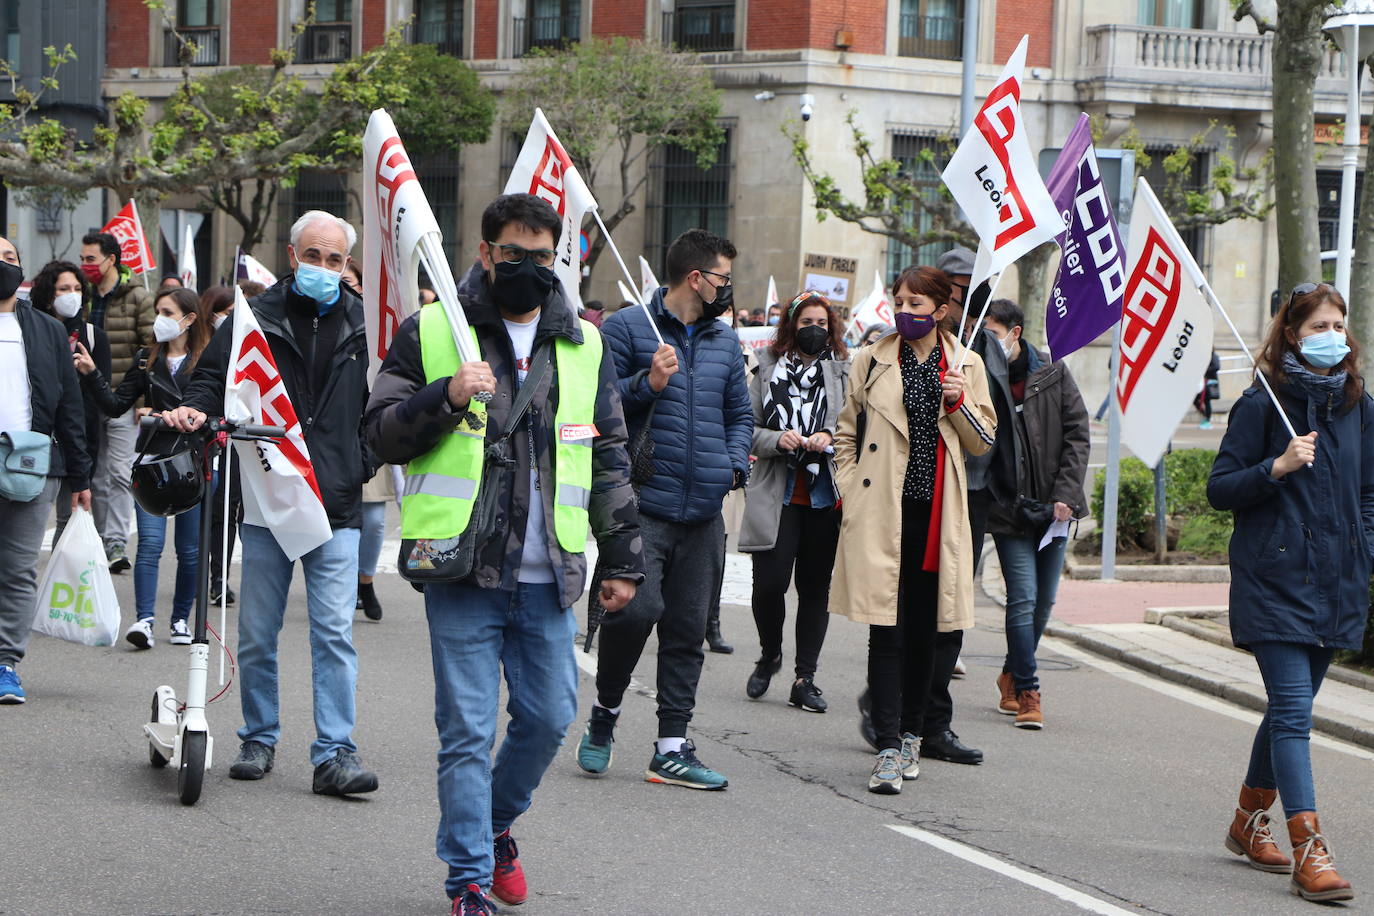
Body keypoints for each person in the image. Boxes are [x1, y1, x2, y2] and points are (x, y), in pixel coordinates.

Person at [366, 193, 644, 915]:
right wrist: (449, 394)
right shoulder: (433, 329)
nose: (527, 268)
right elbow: (382, 434)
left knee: (551, 716)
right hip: (461, 568)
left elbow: (608, 454)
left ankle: (493, 826)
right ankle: (465, 881)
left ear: (560, 259)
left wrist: (621, 560)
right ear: (485, 254)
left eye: (541, 257)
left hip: (547, 573)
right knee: (464, 731)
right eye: (512, 254)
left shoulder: (586, 343)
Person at [162, 210, 379, 799]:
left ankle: (334, 752)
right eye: (313, 256)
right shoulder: (253, 317)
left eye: (335, 259)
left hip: (336, 502)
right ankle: (259, 736)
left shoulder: (366, 323)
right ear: (291, 255)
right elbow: (211, 379)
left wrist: (363, 461)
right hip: (266, 496)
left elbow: (386, 403)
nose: (323, 268)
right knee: (258, 631)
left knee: (333, 632)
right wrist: (197, 412)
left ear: (347, 265)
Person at [1207, 282, 1368, 904]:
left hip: (1338, 581)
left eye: (1339, 325)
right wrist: (1275, 468)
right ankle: (1310, 848)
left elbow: (1370, 490)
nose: (1332, 336)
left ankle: (1248, 822)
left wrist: (1366, 546)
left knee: (1284, 712)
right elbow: (1221, 488)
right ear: (1292, 335)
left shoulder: (1359, 405)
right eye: (1318, 327)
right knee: (1296, 713)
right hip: (1274, 580)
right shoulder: (1260, 405)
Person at [575, 228, 751, 791]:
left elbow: (740, 415)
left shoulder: (726, 341)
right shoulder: (628, 329)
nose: (728, 288)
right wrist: (648, 382)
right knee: (635, 611)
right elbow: (600, 408)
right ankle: (605, 711)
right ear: (696, 278)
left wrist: (732, 466)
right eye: (723, 277)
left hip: (704, 510)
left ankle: (671, 746)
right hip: (641, 504)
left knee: (687, 628)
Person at [831, 265, 996, 794]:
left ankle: (912, 738)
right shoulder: (872, 359)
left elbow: (982, 442)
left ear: (941, 310)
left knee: (929, 632)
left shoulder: (965, 364)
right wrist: (852, 489)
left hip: (937, 516)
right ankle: (884, 746)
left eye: (916, 305)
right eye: (899, 302)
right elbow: (845, 433)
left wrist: (958, 402)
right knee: (887, 631)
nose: (904, 312)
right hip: (883, 508)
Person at [76, 288, 213, 649]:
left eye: (167, 312)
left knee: (190, 550)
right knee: (149, 543)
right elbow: (115, 404)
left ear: (189, 319)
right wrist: (92, 375)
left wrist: (179, 417)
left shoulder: (208, 360)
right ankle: (144, 621)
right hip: (153, 462)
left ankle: (181, 619)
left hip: (193, 463)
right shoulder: (145, 360)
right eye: (157, 312)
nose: (159, 320)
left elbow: (217, 412)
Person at [980, 299, 1089, 729]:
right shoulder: (983, 377)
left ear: (1015, 333)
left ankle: (1010, 670)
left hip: (1053, 513)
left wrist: (1066, 494)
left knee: (1044, 604)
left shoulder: (1054, 374)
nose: (989, 341)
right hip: (1008, 511)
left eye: (994, 333)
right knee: (1022, 599)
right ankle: (1028, 691)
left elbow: (1078, 434)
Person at [739, 290, 849, 711]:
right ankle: (769, 655)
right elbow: (745, 427)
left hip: (824, 496)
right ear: (791, 325)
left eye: (822, 323)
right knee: (769, 584)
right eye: (807, 322)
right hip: (777, 492)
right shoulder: (765, 370)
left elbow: (855, 428)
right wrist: (775, 439)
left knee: (814, 589)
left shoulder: (844, 371)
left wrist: (829, 437)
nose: (815, 330)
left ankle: (806, 678)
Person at [0, 236, 92, 705]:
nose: (3, 265)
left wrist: (80, 477)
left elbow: (69, 407)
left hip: (29, 463)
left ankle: (5, 663)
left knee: (17, 570)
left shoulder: (46, 331)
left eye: (10, 258)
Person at [80, 232, 154, 574]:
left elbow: (148, 351)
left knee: (120, 472)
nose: (85, 266)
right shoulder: (82, 297)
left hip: (124, 400)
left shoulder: (137, 297)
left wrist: (140, 399)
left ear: (111, 259)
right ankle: (97, 537)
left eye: (91, 259)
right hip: (88, 399)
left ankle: (116, 541)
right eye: (82, 259)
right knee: (94, 473)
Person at [28, 260, 110, 541]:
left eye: (77, 288)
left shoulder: (92, 337)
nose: (72, 294)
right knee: (28, 519)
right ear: (48, 294)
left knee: (70, 517)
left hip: (80, 437)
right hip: (38, 438)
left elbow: (105, 399)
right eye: (64, 288)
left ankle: (58, 583)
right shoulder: (29, 332)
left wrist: (91, 372)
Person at [1196, 350, 1221, 430]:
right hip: (1203, 381)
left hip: (1209, 381)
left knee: (1207, 401)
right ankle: (1205, 417)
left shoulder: (1213, 356)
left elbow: (1216, 367)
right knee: (1197, 400)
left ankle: (1207, 420)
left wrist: (1204, 369)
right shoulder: (1205, 355)